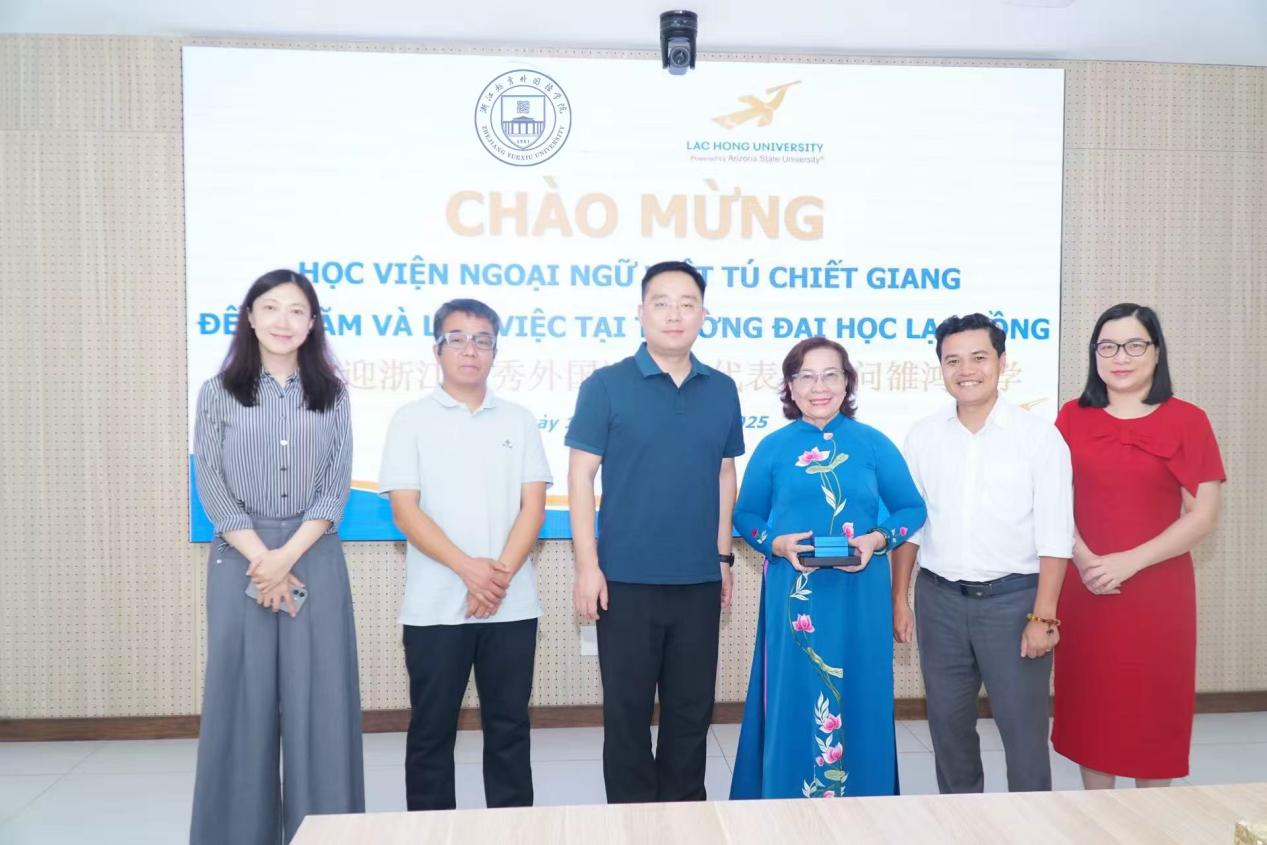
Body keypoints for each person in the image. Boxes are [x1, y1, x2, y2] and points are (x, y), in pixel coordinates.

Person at [191, 269, 363, 845]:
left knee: (322, 705)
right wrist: (263, 559)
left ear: (312, 323)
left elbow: (335, 488)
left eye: (296, 310)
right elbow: (211, 485)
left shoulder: (333, 395)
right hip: (240, 557)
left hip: (312, 553)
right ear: (250, 317)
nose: (282, 321)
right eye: (270, 307)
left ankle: (328, 833)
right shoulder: (218, 392)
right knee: (242, 705)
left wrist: (285, 557)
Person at [567, 261, 744, 803]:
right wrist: (588, 566)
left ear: (704, 315)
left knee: (691, 714)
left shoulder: (722, 389)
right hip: (625, 581)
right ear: (640, 313)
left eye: (687, 304)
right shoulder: (606, 385)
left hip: (697, 580)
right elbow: (581, 476)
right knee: (627, 716)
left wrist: (722, 559)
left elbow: (724, 473)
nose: (674, 314)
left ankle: (684, 821)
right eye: (661, 303)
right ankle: (631, 824)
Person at [729, 337, 926, 799]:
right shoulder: (773, 447)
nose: (819, 387)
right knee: (794, 691)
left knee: (862, 689)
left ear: (847, 382)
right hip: (795, 594)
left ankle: (864, 801)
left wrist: (878, 539)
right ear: (790, 386)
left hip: (862, 593)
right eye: (806, 376)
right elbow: (746, 515)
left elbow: (911, 508)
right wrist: (775, 544)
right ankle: (787, 799)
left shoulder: (873, 443)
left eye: (831, 375)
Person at [379, 298, 551, 811]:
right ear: (437, 350)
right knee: (431, 732)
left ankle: (513, 831)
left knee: (509, 729)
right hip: (434, 607)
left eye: (482, 340)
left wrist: (494, 580)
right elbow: (405, 511)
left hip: (511, 605)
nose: (470, 350)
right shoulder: (409, 420)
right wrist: (469, 570)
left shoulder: (519, 420)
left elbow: (534, 508)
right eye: (457, 339)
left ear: (495, 352)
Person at [891, 313, 1073, 794]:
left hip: (1015, 604)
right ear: (940, 368)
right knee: (948, 730)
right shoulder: (922, 435)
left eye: (978, 357)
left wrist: (1044, 617)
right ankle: (961, 823)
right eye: (953, 360)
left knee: (1023, 734)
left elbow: (1056, 536)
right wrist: (899, 598)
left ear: (1002, 362)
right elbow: (911, 527)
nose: (966, 370)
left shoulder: (1039, 437)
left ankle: (1029, 824)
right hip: (939, 602)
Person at [1052, 303, 1224, 789]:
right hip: (1086, 588)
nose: (1120, 357)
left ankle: (1152, 818)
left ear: (1156, 352)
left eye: (1133, 345)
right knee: (1093, 710)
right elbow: (1051, 500)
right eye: (1107, 347)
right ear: (1094, 355)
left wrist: (1129, 562)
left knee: (1153, 712)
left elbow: (1203, 515)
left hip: (1157, 591)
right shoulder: (1072, 417)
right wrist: (1085, 559)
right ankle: (1098, 816)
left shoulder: (1188, 420)